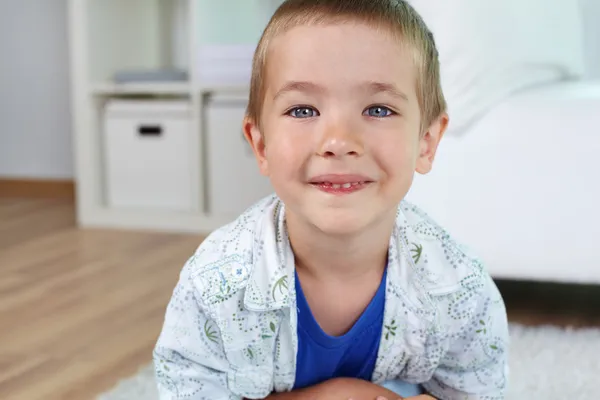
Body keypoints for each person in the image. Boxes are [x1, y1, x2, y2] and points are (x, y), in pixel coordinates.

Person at [152, 0, 510, 399]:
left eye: (378, 109)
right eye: (303, 109)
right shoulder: (215, 285)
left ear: (426, 143)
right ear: (261, 144)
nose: (339, 142)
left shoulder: (458, 287)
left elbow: (479, 388)